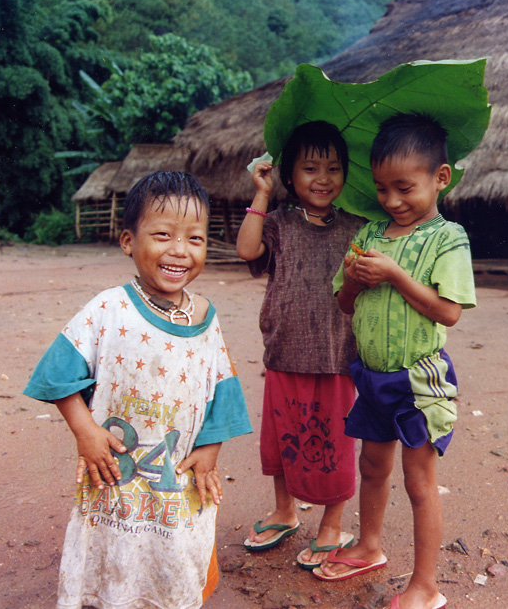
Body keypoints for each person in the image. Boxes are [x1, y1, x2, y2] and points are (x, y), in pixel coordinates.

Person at [24, 171, 252, 609]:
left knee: (173, 559)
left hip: (175, 479)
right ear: (129, 241)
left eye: (195, 239)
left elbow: (221, 387)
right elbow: (57, 376)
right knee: (113, 556)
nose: (179, 251)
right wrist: (85, 432)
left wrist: (211, 449)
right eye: (163, 235)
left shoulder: (206, 316)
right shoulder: (108, 308)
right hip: (112, 477)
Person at [321, 113, 477, 609]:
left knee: (418, 480)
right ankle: (369, 546)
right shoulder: (367, 235)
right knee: (371, 464)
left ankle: (426, 586)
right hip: (371, 374)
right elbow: (343, 305)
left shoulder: (448, 238)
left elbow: (448, 312)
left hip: (419, 377)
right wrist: (355, 281)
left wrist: (392, 275)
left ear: (440, 178)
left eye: (405, 187)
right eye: (383, 188)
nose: (392, 201)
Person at [236, 121, 366, 569]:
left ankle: (332, 522)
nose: (323, 178)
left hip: (336, 356)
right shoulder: (278, 224)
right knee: (282, 439)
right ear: (289, 174)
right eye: (310, 168)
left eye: (333, 168)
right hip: (285, 350)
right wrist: (261, 194)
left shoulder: (358, 228)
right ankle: (285, 510)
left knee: (336, 443)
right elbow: (247, 251)